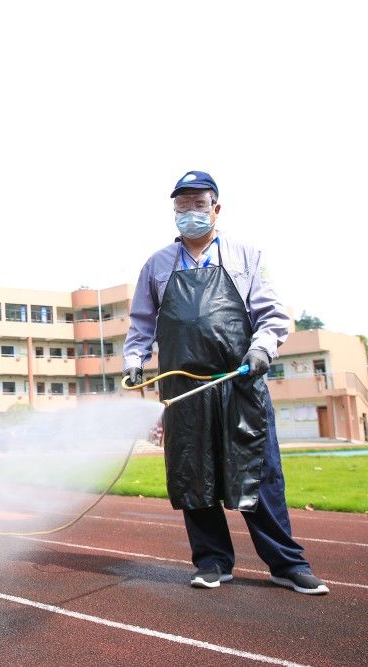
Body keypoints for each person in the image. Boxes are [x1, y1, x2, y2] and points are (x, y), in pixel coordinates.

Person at [122, 170, 328, 595]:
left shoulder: (246, 255)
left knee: (259, 473)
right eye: (183, 206)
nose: (190, 213)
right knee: (193, 474)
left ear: (216, 208)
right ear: (173, 212)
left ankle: (287, 564)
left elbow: (273, 316)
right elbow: (141, 323)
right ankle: (212, 561)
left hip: (240, 384)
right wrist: (134, 361)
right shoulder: (156, 265)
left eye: (199, 205)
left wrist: (261, 350)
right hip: (184, 389)